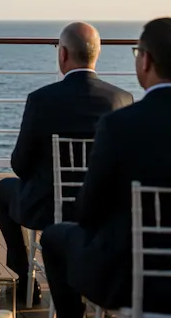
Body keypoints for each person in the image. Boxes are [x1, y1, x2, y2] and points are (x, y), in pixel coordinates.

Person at [0, 22, 132, 304]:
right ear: (97, 54)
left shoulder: (42, 100)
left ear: (63, 54)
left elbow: (20, 165)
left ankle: (24, 277)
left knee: (2, 189)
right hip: (100, 212)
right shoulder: (122, 99)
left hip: (46, 209)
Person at [42, 18, 171, 317]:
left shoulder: (120, 126)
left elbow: (89, 211)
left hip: (129, 279)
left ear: (146, 60)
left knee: (54, 237)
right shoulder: (119, 112)